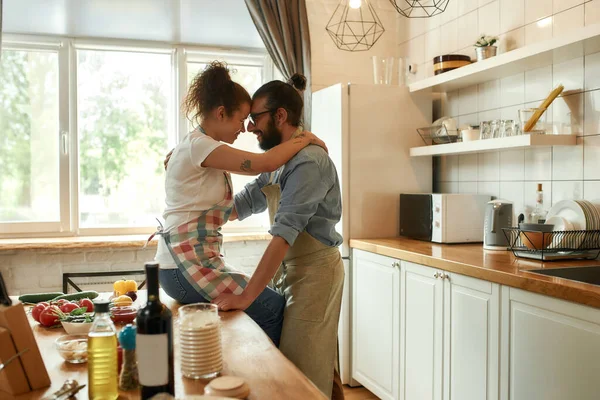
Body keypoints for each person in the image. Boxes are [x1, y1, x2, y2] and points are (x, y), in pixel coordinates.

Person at [153, 62, 326, 348]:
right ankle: (269, 386)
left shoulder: (196, 145)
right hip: (183, 267)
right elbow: (263, 163)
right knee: (272, 308)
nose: (245, 127)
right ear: (221, 113)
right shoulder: (200, 146)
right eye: (242, 118)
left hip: (179, 267)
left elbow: (229, 208)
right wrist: (305, 138)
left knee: (259, 301)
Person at [212, 74, 345, 400]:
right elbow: (239, 205)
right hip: (291, 272)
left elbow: (283, 235)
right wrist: (194, 196)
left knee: (302, 377)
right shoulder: (280, 159)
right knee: (306, 368)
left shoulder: (309, 162)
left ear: (280, 116)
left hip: (316, 276)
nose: (251, 127)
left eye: (255, 118)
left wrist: (245, 298)